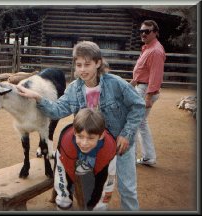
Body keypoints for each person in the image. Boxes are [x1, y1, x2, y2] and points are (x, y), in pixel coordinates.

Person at [16, 40, 145, 210]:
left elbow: (139, 105)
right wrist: (38, 98)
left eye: (87, 64)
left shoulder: (116, 83)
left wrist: (126, 134)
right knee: (94, 191)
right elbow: (57, 110)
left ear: (98, 63)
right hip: (91, 145)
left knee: (127, 189)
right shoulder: (74, 89)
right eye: (79, 65)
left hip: (120, 144)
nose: (82, 69)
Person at [54, 108, 117, 211]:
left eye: (91, 138)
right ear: (74, 132)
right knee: (63, 199)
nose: (84, 143)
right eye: (80, 136)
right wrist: (63, 202)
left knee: (97, 198)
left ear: (101, 136)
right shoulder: (65, 144)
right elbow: (61, 175)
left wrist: (99, 206)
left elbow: (108, 182)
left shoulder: (109, 149)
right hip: (70, 162)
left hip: (95, 166)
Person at [130, 20, 166, 166]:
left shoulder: (155, 51)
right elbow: (143, 71)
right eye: (141, 31)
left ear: (155, 32)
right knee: (140, 123)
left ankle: (130, 158)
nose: (143, 34)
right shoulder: (148, 48)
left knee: (132, 121)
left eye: (147, 31)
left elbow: (155, 75)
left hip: (145, 90)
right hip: (141, 87)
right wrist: (132, 83)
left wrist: (148, 97)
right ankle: (148, 157)